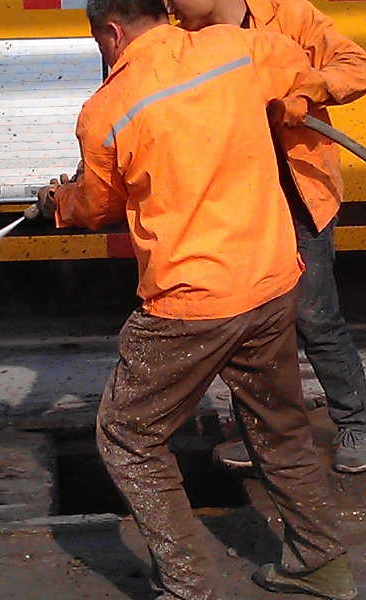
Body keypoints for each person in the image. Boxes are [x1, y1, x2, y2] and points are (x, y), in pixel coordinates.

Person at [32, 0, 356, 597]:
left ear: (111, 30)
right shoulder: (237, 49)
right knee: (279, 425)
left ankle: (188, 588)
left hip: (192, 304)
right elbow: (306, 72)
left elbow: (97, 205)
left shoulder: (106, 109)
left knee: (128, 436)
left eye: (99, 43)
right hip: (268, 283)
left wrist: (59, 204)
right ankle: (321, 562)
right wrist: (296, 98)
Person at [169, 0, 366, 473]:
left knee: (315, 316)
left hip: (299, 194)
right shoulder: (179, 39)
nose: (169, 4)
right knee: (248, 326)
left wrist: (305, 89)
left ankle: (357, 423)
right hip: (234, 201)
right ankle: (266, 439)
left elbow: (356, 67)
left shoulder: (290, 16)